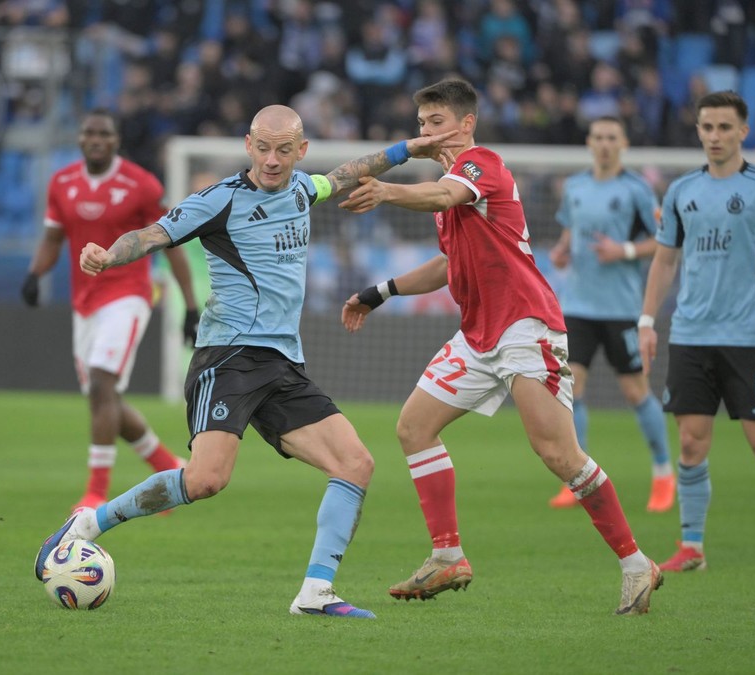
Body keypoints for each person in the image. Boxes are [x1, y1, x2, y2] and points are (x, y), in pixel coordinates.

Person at [35, 104, 460, 619]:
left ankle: (315, 593)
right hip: (229, 358)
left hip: (283, 363)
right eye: (263, 147)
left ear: (301, 151)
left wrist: (408, 149)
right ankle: (87, 525)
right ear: (248, 144)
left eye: (284, 149)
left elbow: (348, 173)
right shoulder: (220, 200)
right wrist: (108, 254)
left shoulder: (305, 189)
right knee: (205, 480)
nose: (273, 160)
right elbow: (151, 235)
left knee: (355, 464)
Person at [339, 79, 661, 615]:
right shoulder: (447, 191)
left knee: (558, 453)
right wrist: (380, 292)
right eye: (421, 123)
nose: (426, 131)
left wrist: (388, 189)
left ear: (465, 123)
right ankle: (447, 555)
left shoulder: (481, 164)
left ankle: (636, 564)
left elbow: (443, 193)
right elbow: (448, 265)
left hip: (525, 326)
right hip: (479, 332)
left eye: (436, 121)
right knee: (413, 427)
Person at [639, 90, 755, 574]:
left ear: (744, 131)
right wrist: (647, 321)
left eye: (724, 128)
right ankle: (692, 548)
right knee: (693, 444)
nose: (714, 136)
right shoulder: (680, 191)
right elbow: (664, 261)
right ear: (697, 130)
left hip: (746, 337)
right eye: (706, 127)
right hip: (691, 336)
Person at [21, 109, 198, 512]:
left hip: (128, 295)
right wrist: (34, 274)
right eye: (89, 133)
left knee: (103, 385)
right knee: (106, 402)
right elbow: (53, 238)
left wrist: (189, 306)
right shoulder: (61, 183)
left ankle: (95, 495)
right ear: (80, 139)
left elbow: (172, 245)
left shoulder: (141, 185)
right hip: (84, 304)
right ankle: (169, 468)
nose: (96, 139)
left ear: (117, 140)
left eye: (104, 133)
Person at [546, 116, 673, 512]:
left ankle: (663, 473)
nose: (604, 144)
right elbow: (570, 231)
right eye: (598, 137)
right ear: (588, 141)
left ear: (623, 143)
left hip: (621, 308)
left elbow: (664, 241)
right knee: (573, 389)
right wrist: (563, 251)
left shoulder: (636, 189)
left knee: (635, 391)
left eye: (611, 138)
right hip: (578, 307)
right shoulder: (576, 187)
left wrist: (626, 251)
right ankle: (578, 477)